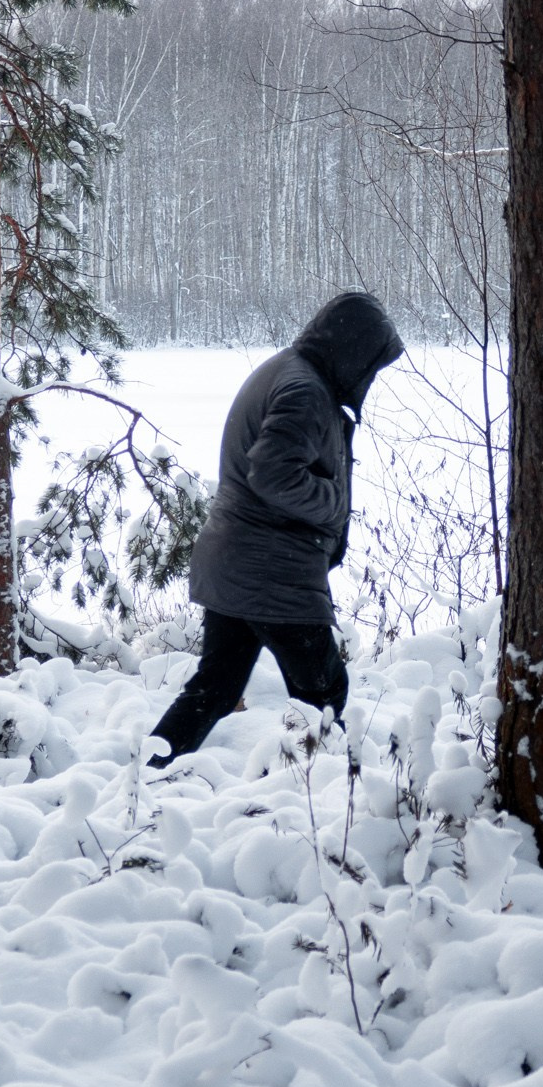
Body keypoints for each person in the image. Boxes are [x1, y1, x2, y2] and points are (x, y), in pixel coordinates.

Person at [148, 290, 404, 766]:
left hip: (238, 562)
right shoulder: (305, 389)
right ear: (353, 352)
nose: (371, 377)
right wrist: (335, 505)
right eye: (372, 365)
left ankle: (145, 774)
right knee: (323, 692)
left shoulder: (291, 370)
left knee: (215, 689)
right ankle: (323, 795)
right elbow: (272, 474)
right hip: (272, 571)